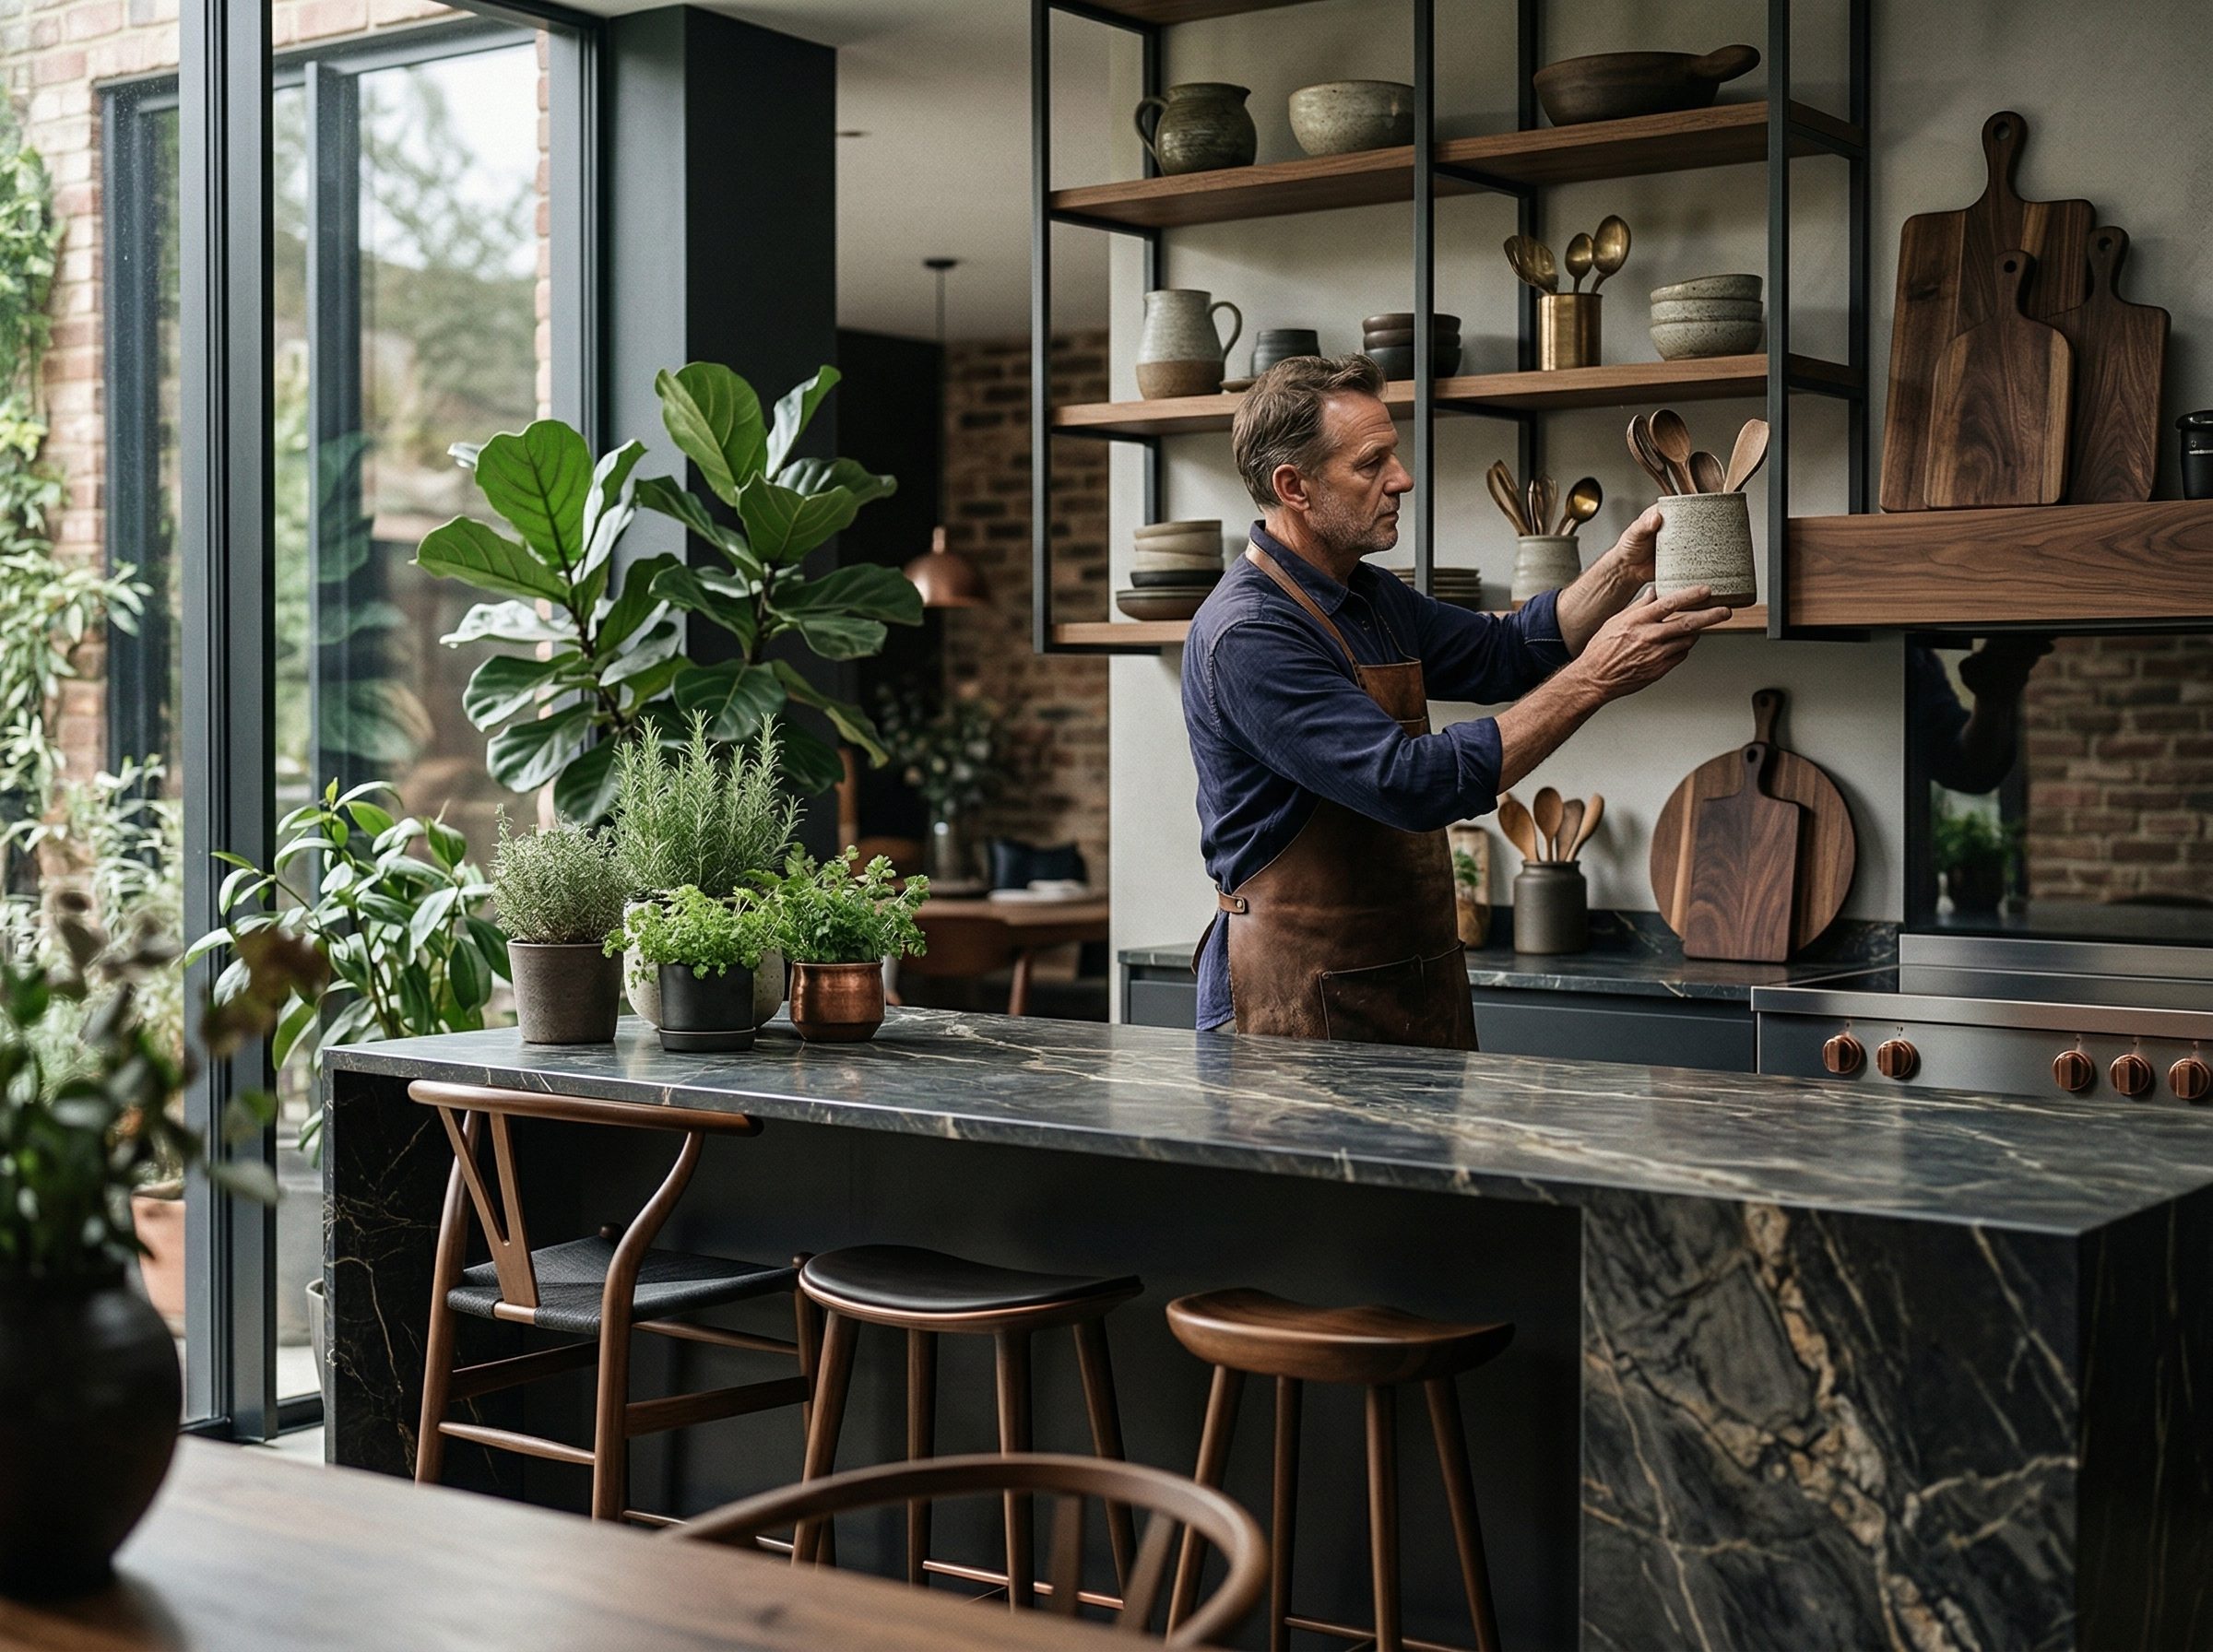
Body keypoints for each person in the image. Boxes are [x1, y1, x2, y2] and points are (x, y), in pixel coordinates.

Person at [1181, 353, 1730, 1047]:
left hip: (1410, 975)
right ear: (1295, 486)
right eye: (1371, 463)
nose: (1401, 479)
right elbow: (1411, 784)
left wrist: (1622, 568)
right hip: (1294, 1002)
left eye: (1395, 456)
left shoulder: (1367, 594)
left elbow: (1502, 652)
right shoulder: (1251, 633)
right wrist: (1595, 677)